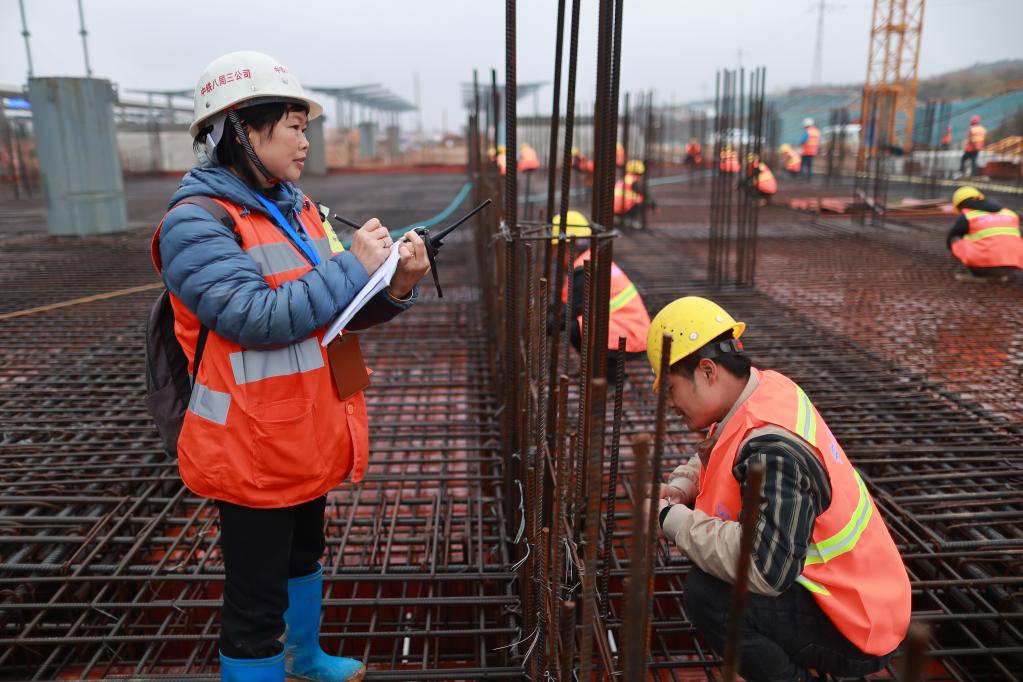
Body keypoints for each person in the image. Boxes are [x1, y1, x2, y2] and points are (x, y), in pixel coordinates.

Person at [155, 51, 431, 682]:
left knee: (304, 554)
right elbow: (255, 317)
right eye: (294, 127)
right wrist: (353, 265)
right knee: (255, 597)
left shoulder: (300, 208)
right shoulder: (195, 223)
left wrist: (395, 285)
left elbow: (334, 311)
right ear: (239, 129)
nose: (306, 141)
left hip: (306, 426)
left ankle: (303, 657)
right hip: (248, 441)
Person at [648, 297, 910, 682]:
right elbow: (722, 446)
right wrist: (682, 486)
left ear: (707, 371)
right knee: (711, 560)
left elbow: (766, 568)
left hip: (858, 622)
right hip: (849, 590)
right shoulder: (764, 389)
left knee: (710, 597)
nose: (670, 403)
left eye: (671, 389)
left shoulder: (774, 450)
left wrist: (672, 520)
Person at [551, 210, 650, 383]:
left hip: (630, 335)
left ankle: (612, 381)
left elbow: (569, 313)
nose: (553, 256)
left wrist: (541, 327)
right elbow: (565, 304)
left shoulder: (585, 270)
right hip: (630, 329)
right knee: (580, 325)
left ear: (566, 247)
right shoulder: (590, 259)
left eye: (554, 249)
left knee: (577, 329)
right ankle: (596, 371)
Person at [946, 186, 1022, 282]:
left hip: (985, 265)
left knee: (956, 239)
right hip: (1013, 263)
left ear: (959, 205)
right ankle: (1001, 275)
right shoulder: (1010, 213)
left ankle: (980, 276)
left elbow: (950, 238)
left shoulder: (968, 215)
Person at [614, 159, 655, 228]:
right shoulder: (635, 181)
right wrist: (654, 205)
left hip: (615, 209)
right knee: (644, 200)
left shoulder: (623, 179)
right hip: (625, 209)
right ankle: (633, 221)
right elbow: (646, 194)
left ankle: (621, 219)